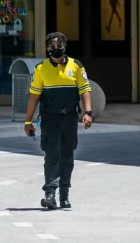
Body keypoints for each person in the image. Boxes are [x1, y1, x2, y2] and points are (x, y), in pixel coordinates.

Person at [23, 31, 93, 210]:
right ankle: (50, 194)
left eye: (59, 45)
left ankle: (64, 194)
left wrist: (88, 113)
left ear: (65, 46)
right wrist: (27, 122)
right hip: (50, 118)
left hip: (69, 117)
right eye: (52, 46)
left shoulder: (76, 66)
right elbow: (33, 97)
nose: (56, 49)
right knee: (52, 155)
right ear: (47, 48)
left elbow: (85, 90)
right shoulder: (40, 69)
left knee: (67, 156)